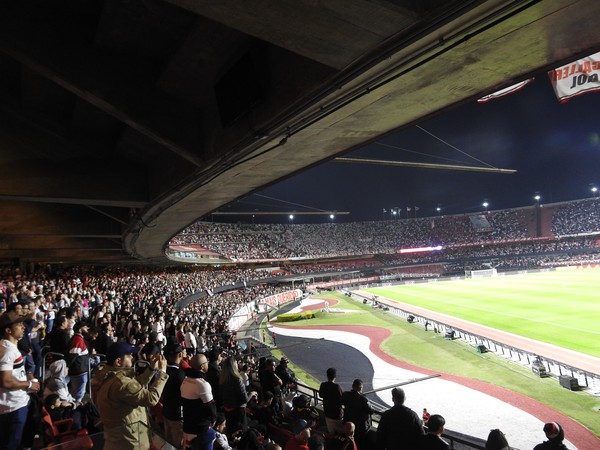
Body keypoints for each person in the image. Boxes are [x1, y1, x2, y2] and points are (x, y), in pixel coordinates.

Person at [92, 341, 168, 450]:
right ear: (118, 361)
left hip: (118, 438)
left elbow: (135, 387)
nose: (132, 358)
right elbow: (151, 399)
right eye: (129, 356)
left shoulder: (109, 375)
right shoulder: (121, 383)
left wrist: (151, 369)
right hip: (130, 441)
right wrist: (162, 372)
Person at [0, 310, 41, 450]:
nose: (23, 327)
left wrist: (28, 375)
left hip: (16, 404)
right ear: (8, 330)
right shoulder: (7, 351)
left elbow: (14, 372)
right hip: (13, 407)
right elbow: (5, 381)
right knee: (11, 444)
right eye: (18, 325)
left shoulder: (9, 347)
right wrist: (30, 384)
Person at [181, 354, 217, 450]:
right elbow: (210, 407)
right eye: (206, 363)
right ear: (202, 366)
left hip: (187, 426)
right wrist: (213, 419)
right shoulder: (202, 385)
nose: (208, 364)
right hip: (200, 429)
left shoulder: (185, 381)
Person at [219, 355, 255, 435]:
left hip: (227, 410)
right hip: (238, 411)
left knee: (232, 431)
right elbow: (245, 399)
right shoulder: (237, 379)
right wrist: (251, 394)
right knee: (241, 432)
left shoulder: (222, 379)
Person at [162, 342, 186, 449]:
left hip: (166, 412)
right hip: (177, 416)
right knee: (178, 444)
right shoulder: (180, 374)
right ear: (180, 355)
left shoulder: (163, 371)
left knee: (168, 441)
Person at [341, 379, 373, 449]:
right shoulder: (363, 399)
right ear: (361, 388)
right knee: (359, 443)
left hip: (348, 425)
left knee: (347, 443)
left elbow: (342, 402)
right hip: (360, 428)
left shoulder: (346, 395)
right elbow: (371, 411)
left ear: (352, 386)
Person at [319, 367, 343, 434]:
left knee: (331, 432)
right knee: (339, 433)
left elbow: (320, 395)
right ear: (335, 376)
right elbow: (342, 400)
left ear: (327, 376)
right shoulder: (337, 387)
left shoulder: (323, 385)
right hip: (337, 415)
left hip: (327, 413)